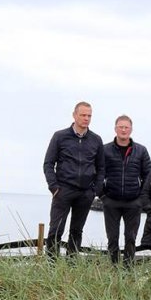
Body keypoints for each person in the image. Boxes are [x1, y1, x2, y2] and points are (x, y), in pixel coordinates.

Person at [42, 102, 104, 259]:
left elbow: (101, 168)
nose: (86, 118)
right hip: (63, 190)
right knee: (56, 229)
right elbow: (48, 163)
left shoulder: (96, 140)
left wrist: (95, 190)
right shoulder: (60, 136)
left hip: (85, 193)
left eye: (89, 115)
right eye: (83, 115)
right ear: (74, 115)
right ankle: (52, 265)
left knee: (76, 231)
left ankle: (72, 264)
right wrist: (54, 187)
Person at [100, 115, 151, 265]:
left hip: (133, 202)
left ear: (131, 129)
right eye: (120, 127)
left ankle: (128, 269)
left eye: (126, 127)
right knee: (112, 238)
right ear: (115, 129)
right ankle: (114, 267)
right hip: (111, 201)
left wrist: (141, 199)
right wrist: (102, 195)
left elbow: (148, 176)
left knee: (130, 238)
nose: (123, 130)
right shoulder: (105, 150)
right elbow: (98, 174)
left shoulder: (141, 151)